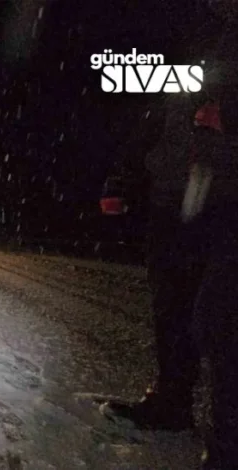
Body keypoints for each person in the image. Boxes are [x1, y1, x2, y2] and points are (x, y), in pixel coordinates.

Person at [98, 52, 238, 468]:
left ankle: (229, 442)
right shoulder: (196, 40)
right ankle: (172, 403)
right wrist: (121, 176)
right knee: (171, 305)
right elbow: (155, 115)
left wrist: (229, 120)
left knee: (220, 317)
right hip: (174, 197)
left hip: (229, 199)